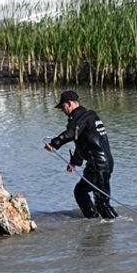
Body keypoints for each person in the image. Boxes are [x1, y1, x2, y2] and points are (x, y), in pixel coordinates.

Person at [45, 90, 117, 219]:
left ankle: (113, 226)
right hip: (102, 163)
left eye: (62, 107)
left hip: (98, 165)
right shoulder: (89, 116)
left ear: (70, 103)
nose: (62, 111)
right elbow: (84, 143)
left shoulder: (81, 118)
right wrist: (74, 162)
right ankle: (94, 221)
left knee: (102, 203)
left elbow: (71, 134)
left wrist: (55, 143)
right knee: (81, 192)